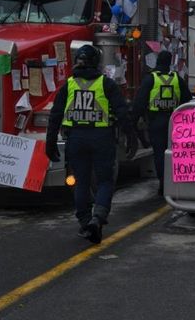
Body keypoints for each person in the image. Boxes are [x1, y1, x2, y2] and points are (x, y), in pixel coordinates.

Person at [45, 45, 138, 244]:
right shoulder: (106, 84)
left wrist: (50, 142)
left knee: (81, 181)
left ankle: (85, 221)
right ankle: (98, 218)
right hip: (101, 137)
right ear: (97, 63)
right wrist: (131, 137)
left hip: (76, 138)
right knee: (105, 181)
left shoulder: (68, 86)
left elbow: (55, 116)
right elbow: (122, 112)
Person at [132, 50, 193, 196]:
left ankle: (163, 185)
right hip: (174, 122)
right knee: (174, 153)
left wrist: (133, 121)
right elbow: (188, 99)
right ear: (170, 62)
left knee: (159, 153)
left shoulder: (150, 79)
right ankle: (174, 181)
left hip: (156, 121)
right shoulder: (177, 78)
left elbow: (140, 102)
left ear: (157, 61)